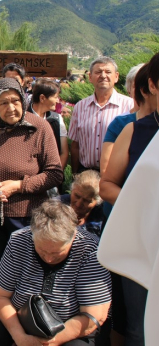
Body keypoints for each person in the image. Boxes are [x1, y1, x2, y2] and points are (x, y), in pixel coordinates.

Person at [0, 77, 63, 316]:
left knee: (28, 269)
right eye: (3, 102)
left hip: (28, 218)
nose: (11, 108)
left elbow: (55, 174)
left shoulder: (40, 127)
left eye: (15, 101)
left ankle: (29, 317)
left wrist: (18, 186)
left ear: (23, 100)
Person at [0, 200, 112, 346]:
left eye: (56, 253)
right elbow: (0, 297)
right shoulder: (19, 240)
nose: (48, 258)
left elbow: (93, 316)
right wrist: (20, 337)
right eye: (42, 251)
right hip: (22, 320)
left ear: (72, 237)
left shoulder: (90, 250)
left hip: (69, 329)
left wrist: (47, 343)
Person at [99, 53, 159, 346]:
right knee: (140, 327)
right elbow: (107, 185)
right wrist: (144, 205)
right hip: (140, 244)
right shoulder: (134, 131)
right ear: (153, 85)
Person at [68, 56, 134, 173]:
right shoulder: (80, 107)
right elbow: (75, 145)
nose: (103, 76)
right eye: (98, 72)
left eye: (108, 72)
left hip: (117, 173)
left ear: (116, 77)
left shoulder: (129, 105)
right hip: (86, 173)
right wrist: (75, 174)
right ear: (90, 77)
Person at [28, 78, 69, 169]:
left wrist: (55, 176)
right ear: (42, 98)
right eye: (55, 97)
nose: (58, 101)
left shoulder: (56, 119)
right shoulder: (23, 119)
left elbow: (64, 152)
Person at [58, 170, 106, 237]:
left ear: (99, 200)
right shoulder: (55, 205)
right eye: (77, 196)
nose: (78, 204)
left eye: (86, 201)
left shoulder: (104, 218)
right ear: (72, 190)